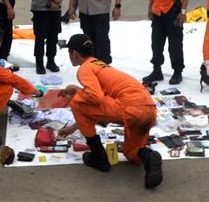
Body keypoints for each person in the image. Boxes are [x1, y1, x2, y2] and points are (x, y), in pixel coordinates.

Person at [58, 34, 163, 189]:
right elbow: (97, 110)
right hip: (148, 110)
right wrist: (73, 128)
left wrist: (76, 91)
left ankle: (98, 157)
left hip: (129, 108)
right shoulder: (100, 65)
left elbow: (95, 99)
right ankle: (149, 156)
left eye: (69, 53)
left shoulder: (85, 68)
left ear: (75, 53)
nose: (70, 56)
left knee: (77, 101)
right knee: (132, 153)